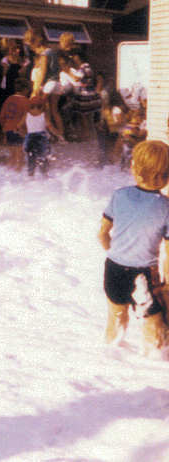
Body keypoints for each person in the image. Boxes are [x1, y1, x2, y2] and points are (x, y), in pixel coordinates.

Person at [98, 140, 169, 356]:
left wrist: (115, 252)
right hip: (142, 276)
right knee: (153, 324)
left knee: (116, 315)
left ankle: (111, 354)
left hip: (113, 268)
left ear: (134, 169)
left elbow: (102, 234)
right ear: (166, 177)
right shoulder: (166, 207)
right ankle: (153, 362)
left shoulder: (119, 195)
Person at [24, 29, 65, 141]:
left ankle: (46, 135)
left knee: (40, 110)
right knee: (54, 110)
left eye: (31, 45)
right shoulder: (52, 51)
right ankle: (61, 135)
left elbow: (42, 72)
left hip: (49, 84)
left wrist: (36, 89)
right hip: (57, 83)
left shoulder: (44, 54)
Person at [18, 95, 61, 177]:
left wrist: (24, 134)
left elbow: (18, 127)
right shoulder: (43, 115)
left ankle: (31, 175)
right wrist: (58, 134)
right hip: (41, 138)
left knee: (31, 157)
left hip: (29, 138)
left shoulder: (26, 115)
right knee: (43, 157)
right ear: (42, 106)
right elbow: (50, 127)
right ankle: (44, 175)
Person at [0, 77, 31, 172]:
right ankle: (17, 177)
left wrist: (4, 130)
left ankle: (7, 173)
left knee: (12, 155)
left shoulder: (9, 99)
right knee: (19, 157)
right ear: (25, 89)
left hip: (8, 130)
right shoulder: (26, 102)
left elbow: (1, 117)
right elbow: (27, 119)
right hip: (19, 130)